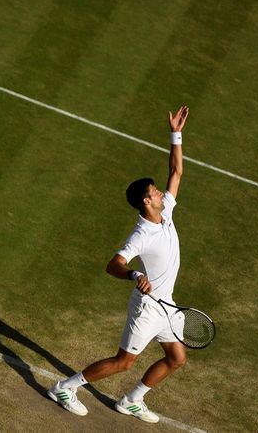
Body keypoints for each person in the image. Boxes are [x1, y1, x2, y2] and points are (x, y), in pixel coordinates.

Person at [48, 105, 190, 424]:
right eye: (155, 192)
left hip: (168, 303)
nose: (160, 194)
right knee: (124, 361)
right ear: (146, 201)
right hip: (148, 307)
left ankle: (132, 399)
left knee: (176, 357)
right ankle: (64, 388)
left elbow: (176, 171)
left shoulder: (165, 209)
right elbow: (113, 265)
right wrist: (135, 274)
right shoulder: (141, 234)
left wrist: (175, 134)